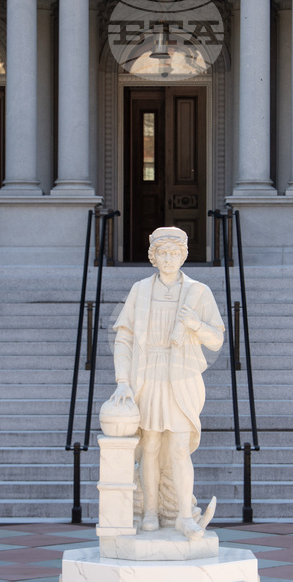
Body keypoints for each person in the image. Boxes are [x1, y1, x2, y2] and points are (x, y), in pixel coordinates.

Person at [109, 227, 224, 539]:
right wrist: (122, 380)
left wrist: (196, 325)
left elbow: (216, 340)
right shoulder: (140, 291)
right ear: (153, 257)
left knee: (178, 448)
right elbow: (124, 338)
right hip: (147, 377)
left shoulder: (199, 292)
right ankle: (149, 512)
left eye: (175, 253)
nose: (169, 258)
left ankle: (184, 516)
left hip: (182, 379)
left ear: (184, 256)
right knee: (150, 446)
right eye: (163, 253)